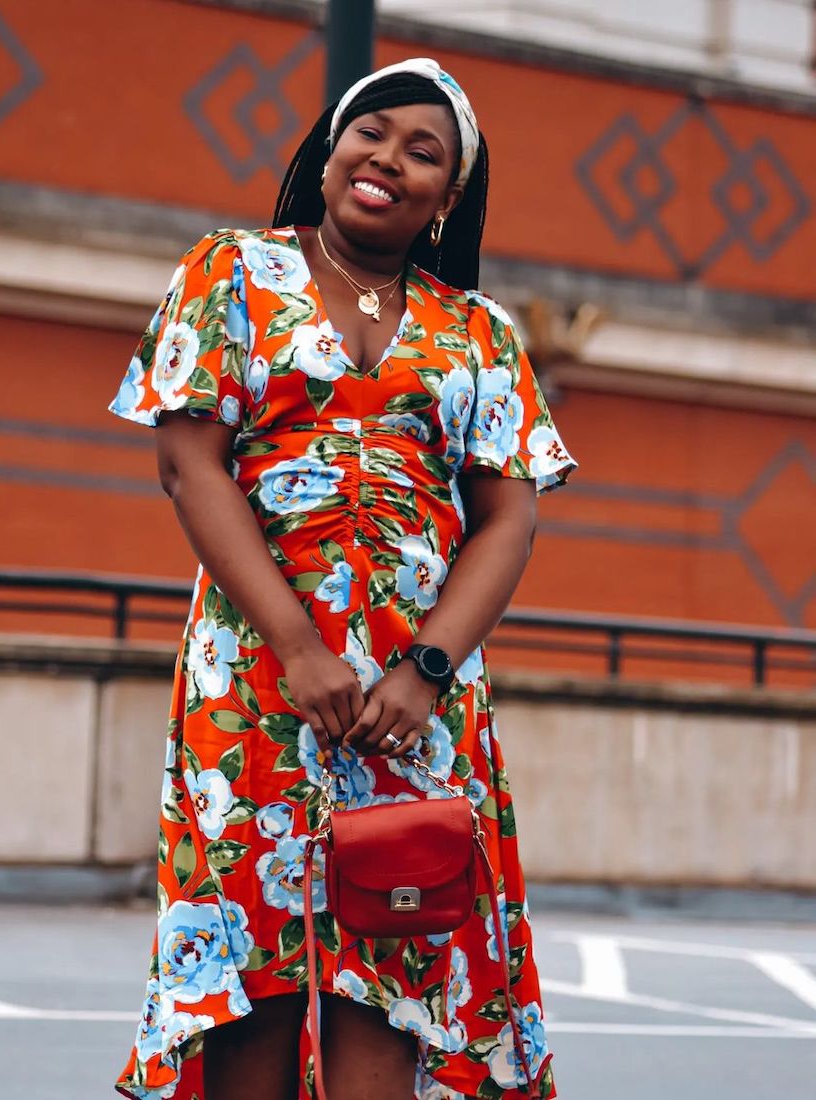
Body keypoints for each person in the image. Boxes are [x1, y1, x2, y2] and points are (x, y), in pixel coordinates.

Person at [109, 57, 575, 1100]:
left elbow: (509, 520)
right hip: (257, 688)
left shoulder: (482, 334)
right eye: (371, 132)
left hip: (418, 706)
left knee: (394, 970)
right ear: (330, 147)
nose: (388, 160)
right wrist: (300, 647)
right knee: (250, 981)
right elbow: (190, 464)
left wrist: (422, 670)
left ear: (448, 198)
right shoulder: (227, 275)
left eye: (424, 152)